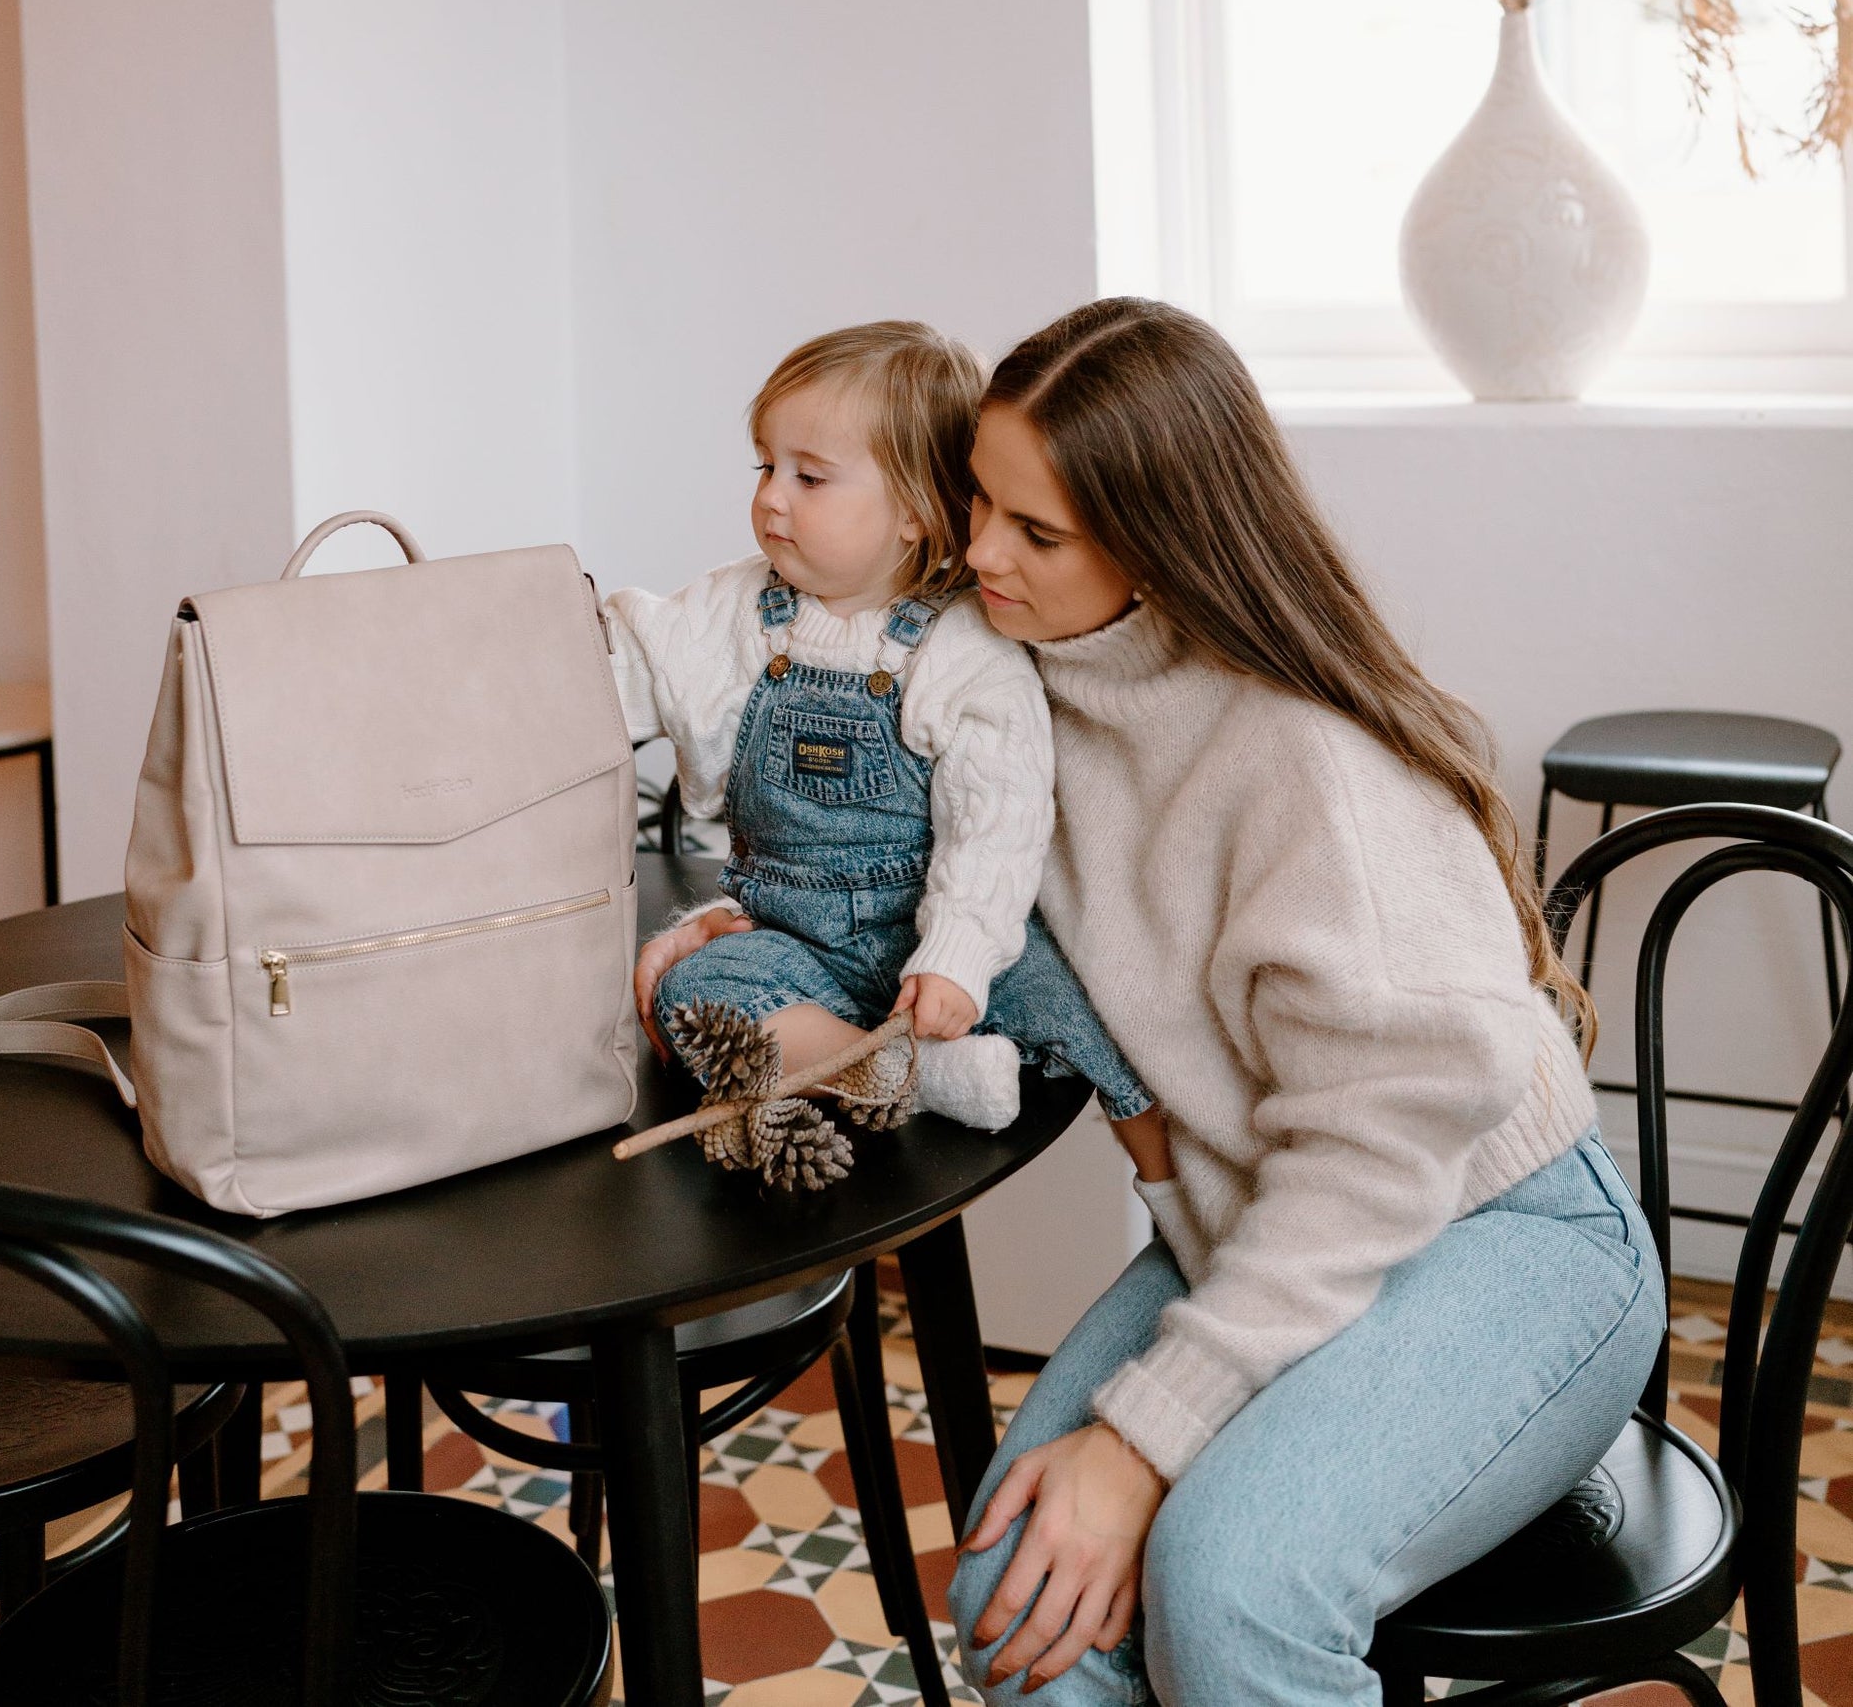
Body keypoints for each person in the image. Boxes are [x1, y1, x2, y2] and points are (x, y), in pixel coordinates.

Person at [946, 296, 1665, 1707]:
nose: (977, 553)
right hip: (1265, 1220)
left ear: (1157, 548)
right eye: (977, 500)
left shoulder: (1303, 760)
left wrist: (1145, 1436)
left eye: (1034, 533)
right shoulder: (1011, 702)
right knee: (1011, 1583)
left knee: (1229, 1589)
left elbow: (1370, 1155)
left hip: (1503, 1236)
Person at [610, 319, 1162, 1150]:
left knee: (1089, 1009)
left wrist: (957, 957)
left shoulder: (962, 646)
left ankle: (1165, 1175)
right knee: (695, 995)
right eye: (767, 466)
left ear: (910, 510)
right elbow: (633, 663)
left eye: (811, 476)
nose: (771, 497)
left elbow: (997, 819)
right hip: (792, 939)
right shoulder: (735, 611)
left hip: (935, 933)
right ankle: (907, 1075)